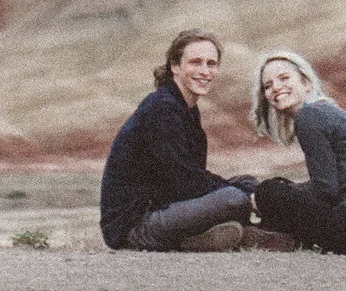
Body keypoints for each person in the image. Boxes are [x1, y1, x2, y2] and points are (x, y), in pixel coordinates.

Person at [98, 28, 265, 251]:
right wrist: (244, 195)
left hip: (165, 208)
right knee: (233, 198)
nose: (205, 71)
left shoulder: (185, 108)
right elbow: (182, 182)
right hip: (134, 226)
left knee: (248, 182)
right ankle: (199, 239)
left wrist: (247, 188)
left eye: (211, 64)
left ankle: (210, 237)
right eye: (195, 62)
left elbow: (190, 176)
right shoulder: (162, 108)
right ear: (175, 66)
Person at [247, 48, 346, 254]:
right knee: (282, 187)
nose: (276, 88)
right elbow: (329, 187)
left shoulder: (310, 116)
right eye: (268, 85)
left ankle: (265, 235)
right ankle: (276, 237)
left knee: (269, 191)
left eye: (283, 78)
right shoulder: (322, 112)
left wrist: (263, 200)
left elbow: (325, 191)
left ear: (306, 83)